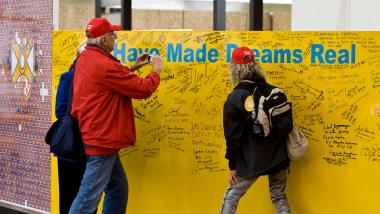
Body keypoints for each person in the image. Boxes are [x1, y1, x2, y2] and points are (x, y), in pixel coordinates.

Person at [68, 17, 163, 214]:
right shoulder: (105, 65)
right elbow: (142, 89)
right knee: (87, 199)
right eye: (113, 35)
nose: (115, 38)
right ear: (103, 40)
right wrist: (156, 71)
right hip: (102, 141)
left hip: (95, 134)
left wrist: (133, 67)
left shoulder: (86, 58)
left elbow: (108, 79)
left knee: (117, 188)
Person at [220, 47, 291, 214]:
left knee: (231, 197)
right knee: (278, 196)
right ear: (255, 65)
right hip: (279, 156)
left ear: (235, 69)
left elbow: (232, 136)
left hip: (252, 159)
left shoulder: (236, 97)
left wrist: (232, 164)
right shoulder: (271, 91)